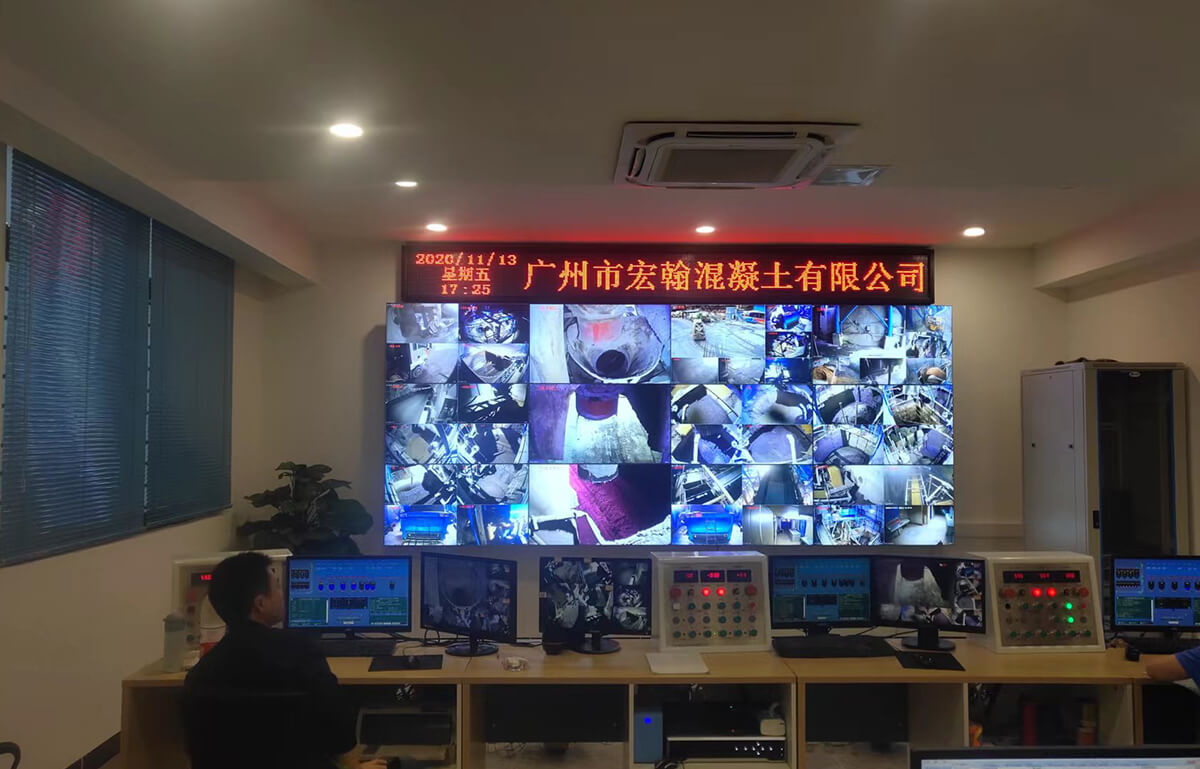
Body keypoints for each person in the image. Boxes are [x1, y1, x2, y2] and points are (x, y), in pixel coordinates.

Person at [182, 552, 386, 769]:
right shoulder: (300, 650)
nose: (284, 594)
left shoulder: (200, 674)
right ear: (260, 604)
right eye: (278, 587)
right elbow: (337, 717)